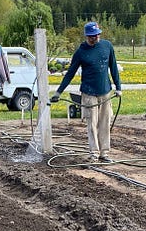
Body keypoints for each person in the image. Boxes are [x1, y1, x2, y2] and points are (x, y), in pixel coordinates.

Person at [51, 21, 122, 162]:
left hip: (105, 92)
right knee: (92, 124)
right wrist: (58, 92)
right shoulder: (81, 52)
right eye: (91, 36)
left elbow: (113, 67)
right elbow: (70, 73)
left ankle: (104, 153)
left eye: (96, 35)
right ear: (86, 37)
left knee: (105, 122)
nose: (95, 38)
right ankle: (94, 153)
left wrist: (118, 87)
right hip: (89, 93)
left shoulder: (107, 46)